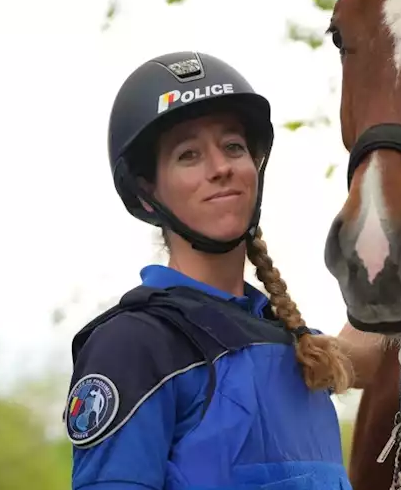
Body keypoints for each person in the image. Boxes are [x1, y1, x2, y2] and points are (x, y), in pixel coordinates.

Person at [65, 50, 382, 490]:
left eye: (233, 147)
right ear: (146, 193)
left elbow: (380, 346)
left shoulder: (294, 342)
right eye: (189, 155)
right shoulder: (135, 346)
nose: (220, 168)